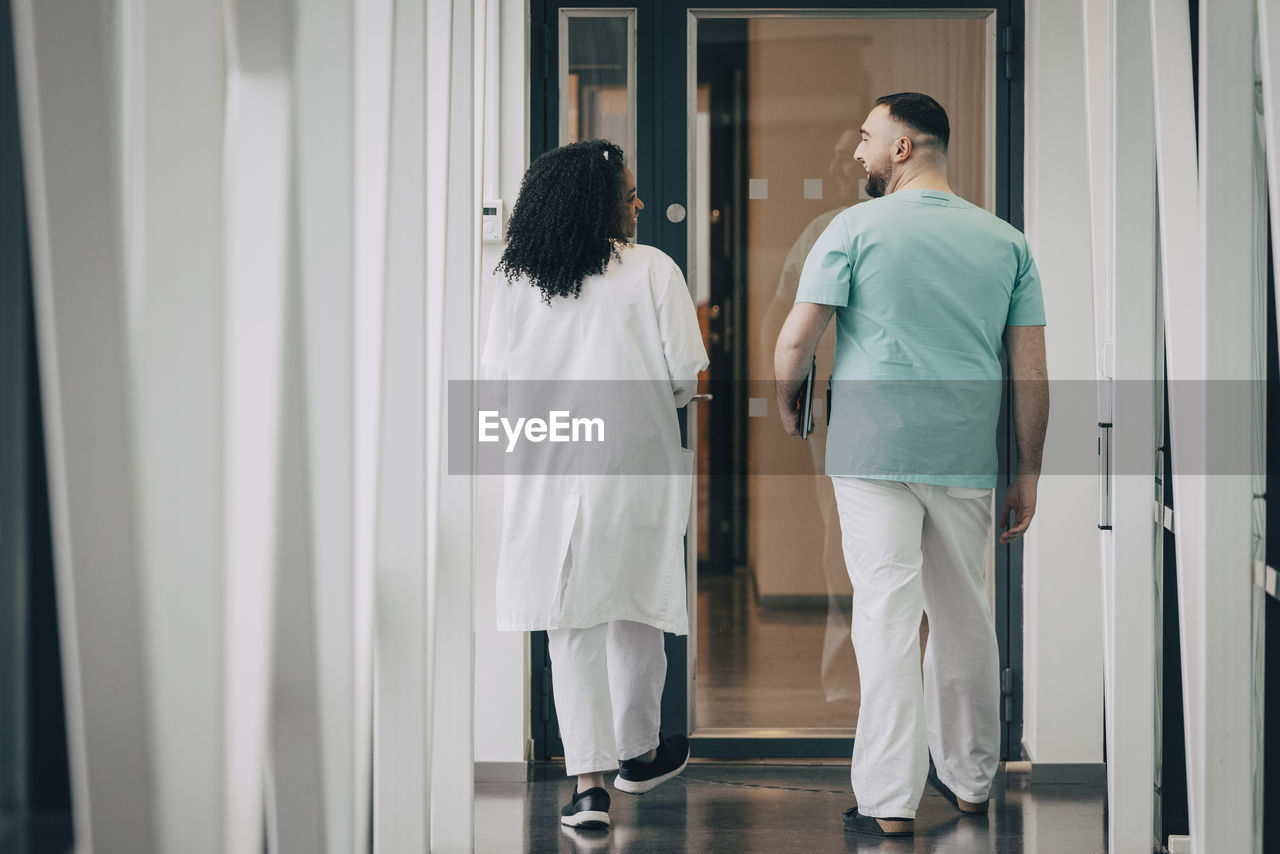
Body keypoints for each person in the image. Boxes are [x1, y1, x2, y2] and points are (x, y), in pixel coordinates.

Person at [773, 93, 1049, 839]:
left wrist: (787, 398)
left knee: (886, 618)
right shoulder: (1006, 243)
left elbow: (796, 342)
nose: (859, 152)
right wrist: (1029, 470)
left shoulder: (853, 228)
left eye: (867, 138)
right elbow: (1030, 372)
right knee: (965, 618)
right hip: (963, 456)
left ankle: (890, 801)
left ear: (902, 149)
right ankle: (969, 782)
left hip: (871, 455)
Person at [483, 139, 708, 831]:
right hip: (631, 467)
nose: (638, 203)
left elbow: (496, 385)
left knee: (570, 621)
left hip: (547, 469)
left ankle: (588, 788)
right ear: (598, 203)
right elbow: (686, 378)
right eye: (628, 193)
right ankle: (638, 753)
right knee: (637, 603)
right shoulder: (653, 272)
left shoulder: (518, 282)